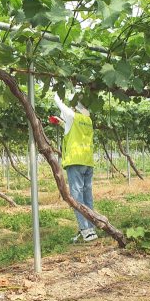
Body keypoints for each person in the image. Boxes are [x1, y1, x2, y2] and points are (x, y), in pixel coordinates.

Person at [52, 93, 97, 242]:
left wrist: (58, 85)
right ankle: (91, 228)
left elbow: (58, 102)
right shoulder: (88, 120)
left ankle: (86, 231)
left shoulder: (73, 116)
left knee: (77, 198)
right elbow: (72, 131)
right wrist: (60, 123)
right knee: (87, 197)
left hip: (75, 163)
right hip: (87, 161)